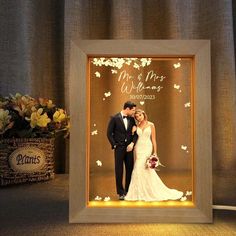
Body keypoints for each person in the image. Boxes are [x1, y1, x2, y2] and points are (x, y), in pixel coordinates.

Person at [125, 109, 183, 201]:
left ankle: (149, 191)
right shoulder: (136, 126)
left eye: (140, 115)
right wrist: (133, 132)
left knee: (145, 167)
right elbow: (134, 138)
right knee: (138, 167)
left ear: (144, 114)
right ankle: (139, 192)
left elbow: (154, 140)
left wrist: (155, 152)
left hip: (147, 147)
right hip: (139, 147)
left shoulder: (151, 125)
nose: (138, 118)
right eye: (136, 117)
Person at [107, 101, 138, 200]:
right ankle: (120, 192)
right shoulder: (115, 118)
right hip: (119, 148)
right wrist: (115, 145)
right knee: (119, 170)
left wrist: (132, 143)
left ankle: (128, 191)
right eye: (133, 110)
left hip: (129, 149)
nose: (134, 112)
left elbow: (135, 133)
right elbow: (109, 133)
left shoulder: (132, 119)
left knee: (130, 169)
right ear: (127, 109)